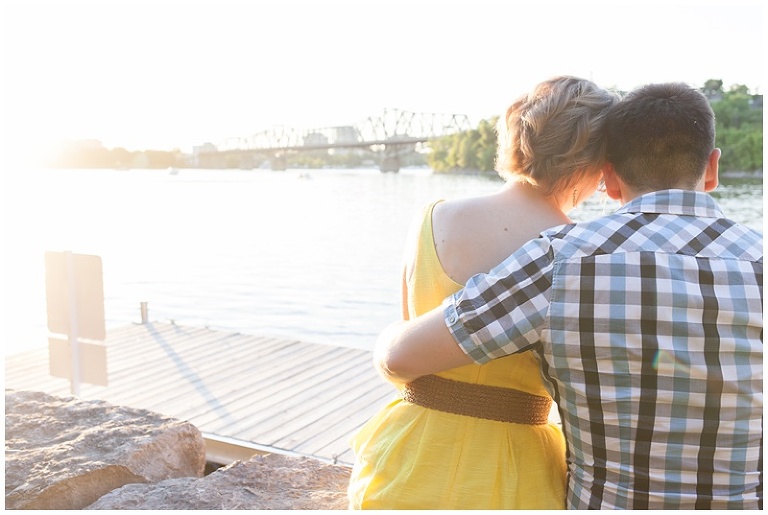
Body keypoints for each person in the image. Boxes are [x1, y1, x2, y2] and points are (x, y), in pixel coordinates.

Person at [373, 82, 763, 510]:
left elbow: (403, 357)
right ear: (713, 167)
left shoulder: (564, 258)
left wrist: (392, 334)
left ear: (610, 178)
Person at [347, 76, 619, 509]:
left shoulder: (432, 219)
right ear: (591, 163)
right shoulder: (582, 253)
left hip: (410, 453)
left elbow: (406, 340)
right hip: (515, 466)